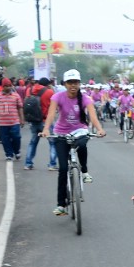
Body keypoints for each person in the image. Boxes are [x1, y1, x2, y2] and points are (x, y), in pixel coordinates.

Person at [41, 69, 106, 216]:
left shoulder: (86, 99)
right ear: (64, 84)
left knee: (83, 144)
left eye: (76, 82)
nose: (73, 85)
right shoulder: (57, 97)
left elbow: (93, 117)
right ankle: (61, 205)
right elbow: (51, 115)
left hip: (79, 131)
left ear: (79, 84)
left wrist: (100, 129)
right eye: (70, 82)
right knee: (63, 169)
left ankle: (84, 171)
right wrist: (46, 129)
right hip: (61, 133)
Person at [22, 78, 54, 170]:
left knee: (33, 142)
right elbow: (52, 106)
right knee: (52, 143)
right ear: (47, 84)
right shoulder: (49, 92)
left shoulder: (30, 90)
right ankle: (52, 164)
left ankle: (28, 163)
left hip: (33, 120)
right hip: (45, 121)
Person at [0, 78, 23, 161]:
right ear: (2, 86)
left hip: (15, 122)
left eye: (9, 86)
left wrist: (22, 119)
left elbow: (20, 108)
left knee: (16, 137)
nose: (8, 88)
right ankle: (9, 154)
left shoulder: (16, 95)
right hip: (3, 123)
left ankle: (16, 151)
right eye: (5, 86)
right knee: (5, 140)